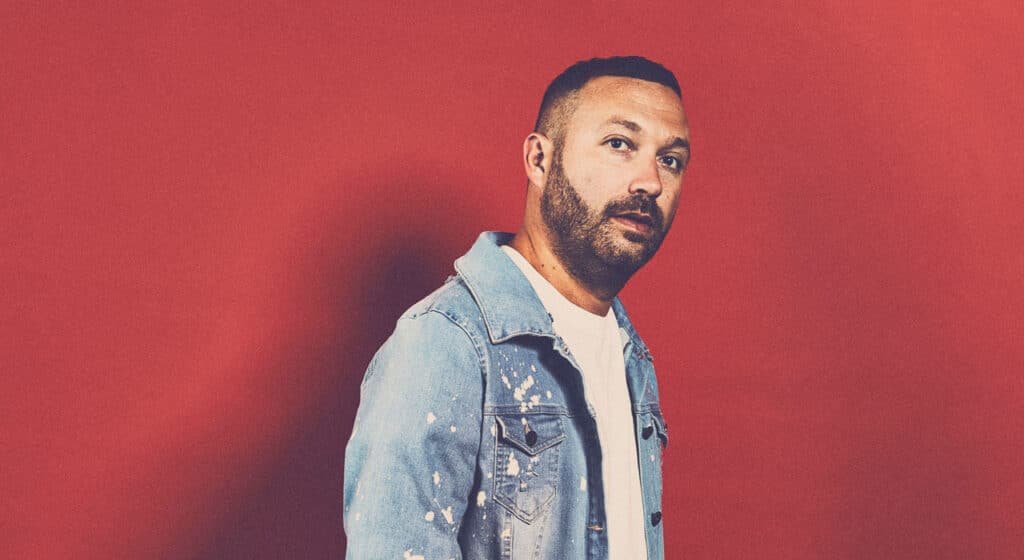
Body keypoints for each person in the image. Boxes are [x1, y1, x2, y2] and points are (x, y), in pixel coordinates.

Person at [344, 55, 691, 560]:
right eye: (620, 144)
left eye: (671, 159)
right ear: (539, 160)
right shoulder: (447, 344)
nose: (650, 182)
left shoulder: (628, 354)